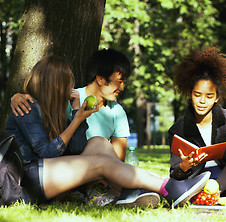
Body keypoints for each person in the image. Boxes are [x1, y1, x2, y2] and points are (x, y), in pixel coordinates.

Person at [5, 55, 210, 207]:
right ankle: (168, 187)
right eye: (67, 83)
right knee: (101, 163)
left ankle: (133, 190)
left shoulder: (54, 109)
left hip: (47, 177)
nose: (71, 88)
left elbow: (77, 148)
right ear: (55, 85)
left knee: (98, 142)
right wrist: (77, 119)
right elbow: (46, 152)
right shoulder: (28, 105)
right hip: (26, 183)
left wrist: (77, 111)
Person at [11, 48, 130, 161]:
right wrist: (17, 97)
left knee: (100, 143)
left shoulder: (117, 112)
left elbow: (118, 159)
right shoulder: (67, 98)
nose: (122, 87)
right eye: (119, 82)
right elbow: (47, 150)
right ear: (100, 80)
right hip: (62, 165)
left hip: (91, 167)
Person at [168, 46, 226, 197]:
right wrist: (184, 167)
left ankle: (215, 193)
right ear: (190, 94)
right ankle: (212, 194)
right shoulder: (178, 130)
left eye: (209, 96)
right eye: (197, 95)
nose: (202, 101)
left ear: (216, 98)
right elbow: (175, 175)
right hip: (198, 181)